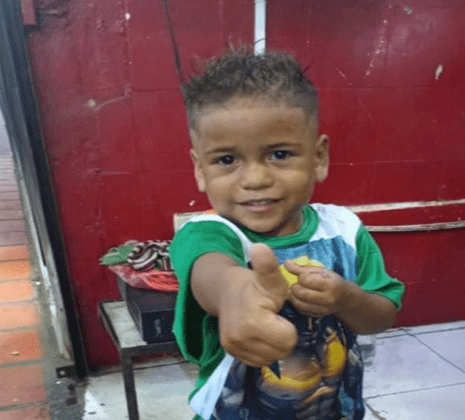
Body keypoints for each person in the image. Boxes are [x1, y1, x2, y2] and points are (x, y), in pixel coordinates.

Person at [169, 48, 405, 420]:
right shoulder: (207, 233)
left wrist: (345, 298)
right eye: (227, 159)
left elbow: (381, 317)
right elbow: (211, 272)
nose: (255, 179)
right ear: (200, 170)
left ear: (319, 157)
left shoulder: (344, 230)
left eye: (279, 154)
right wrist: (236, 292)